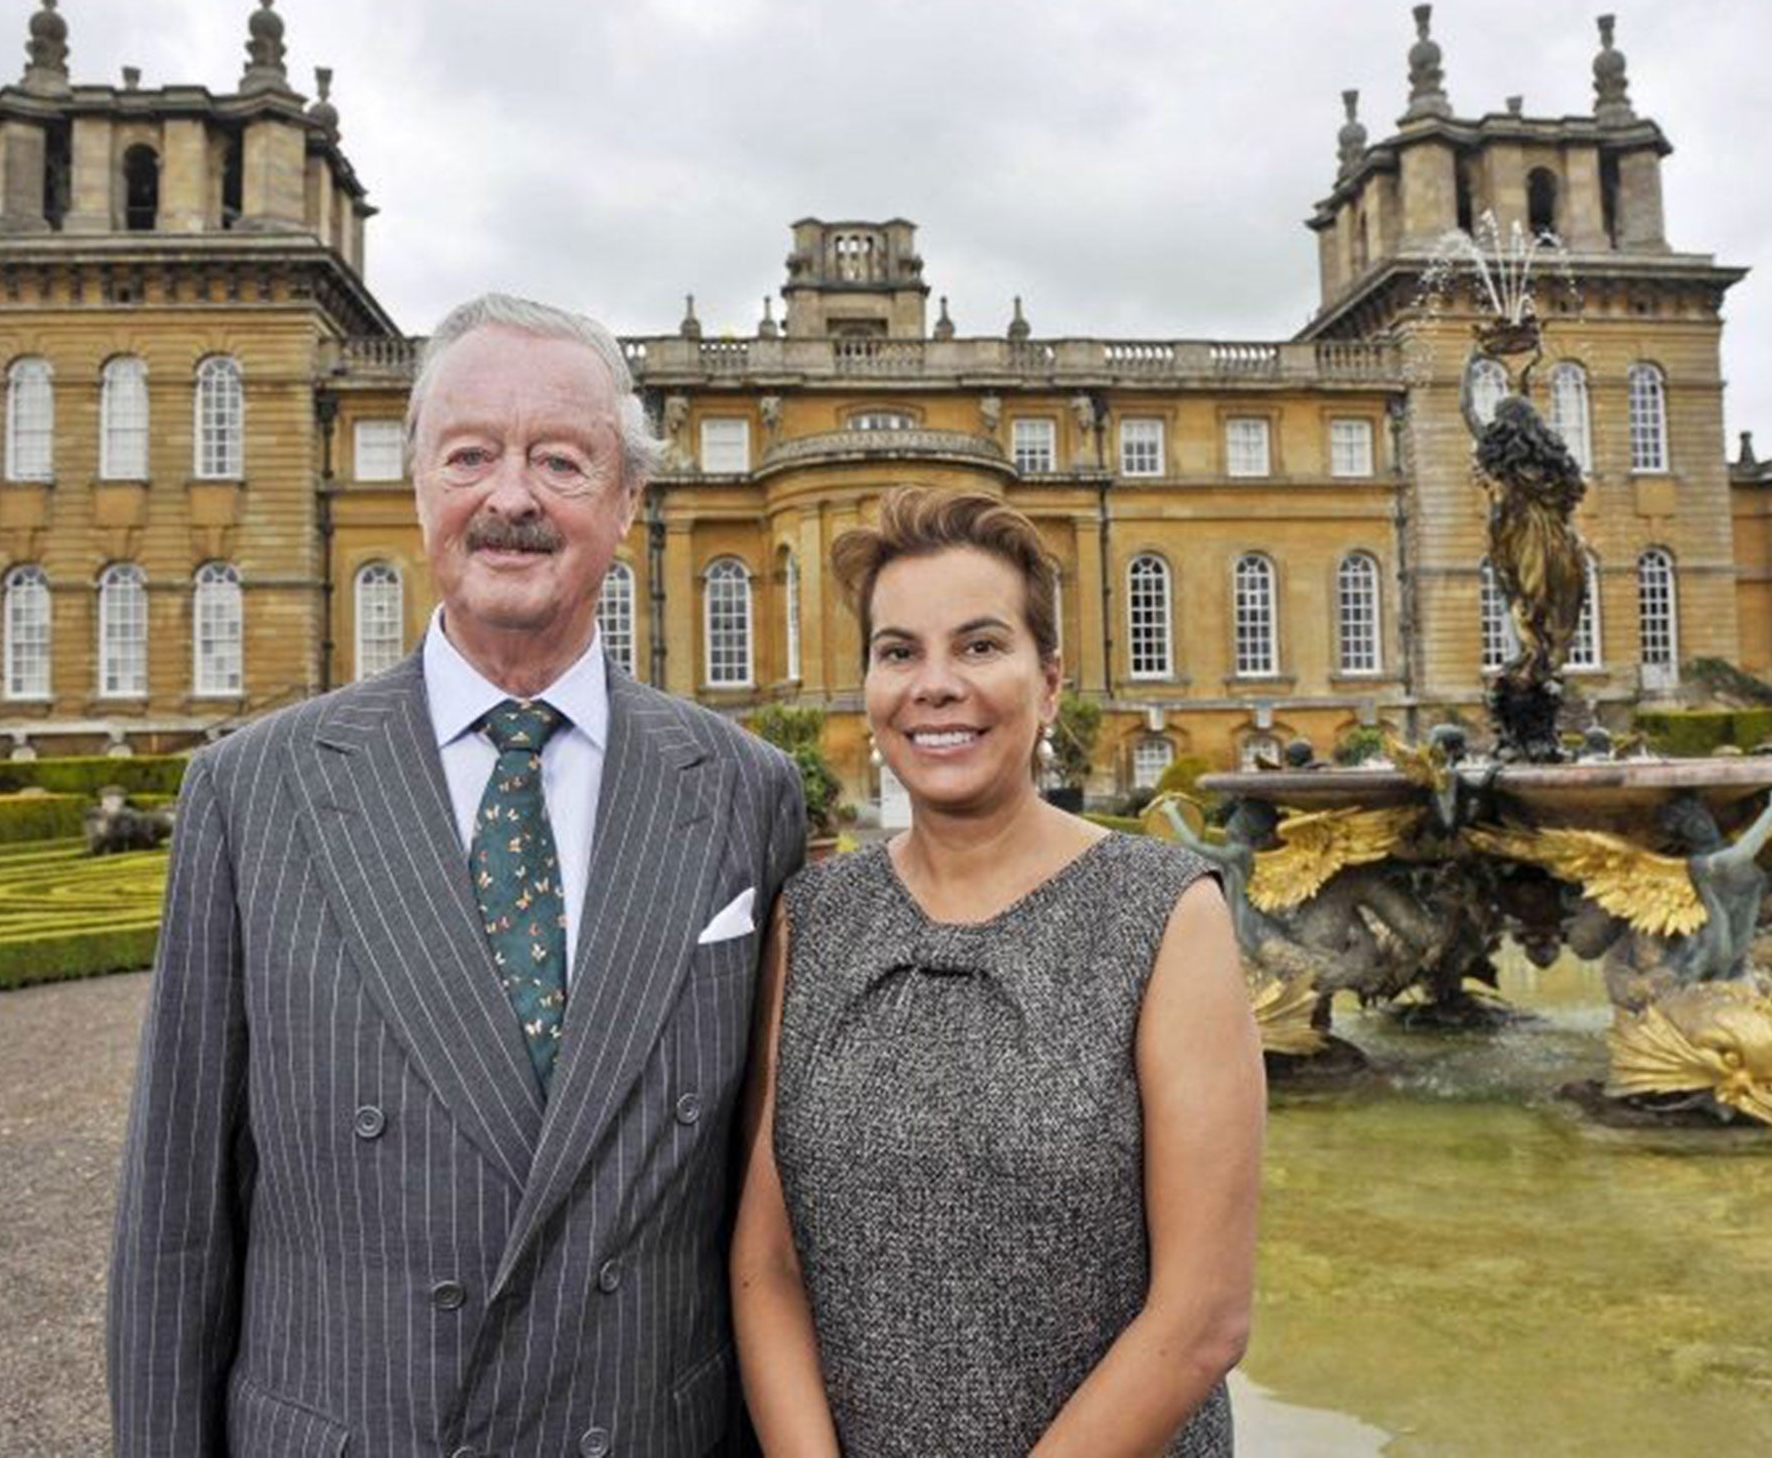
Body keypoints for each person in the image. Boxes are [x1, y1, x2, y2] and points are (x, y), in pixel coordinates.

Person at [108, 294, 805, 1456]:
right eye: (470, 455)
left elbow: (767, 1201)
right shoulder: (251, 792)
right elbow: (174, 1223)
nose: (513, 497)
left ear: (628, 503)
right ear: (419, 486)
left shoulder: (745, 788)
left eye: (562, 461)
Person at [732, 488, 1266, 1455]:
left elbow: (1204, 1317)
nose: (935, 685)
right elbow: (765, 1262)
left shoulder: (1162, 910)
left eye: (980, 646)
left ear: (1050, 681)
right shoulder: (811, 918)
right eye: (899, 651)